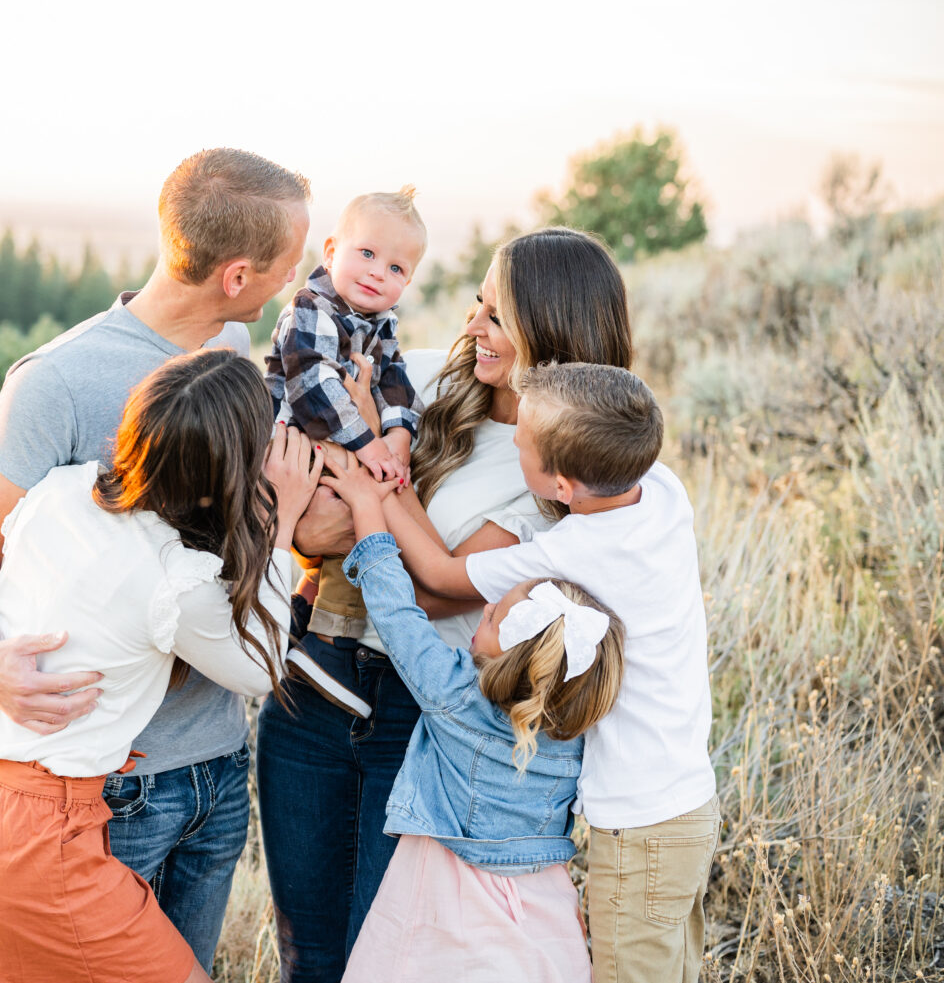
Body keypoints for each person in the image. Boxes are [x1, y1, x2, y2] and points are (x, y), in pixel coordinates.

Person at [0, 148, 316, 970]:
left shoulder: (235, 349)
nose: (298, 277)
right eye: (291, 262)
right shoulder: (59, 383)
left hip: (216, 765)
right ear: (239, 274)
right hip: (111, 788)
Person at [257, 226, 633, 983]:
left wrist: (365, 479)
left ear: (549, 331)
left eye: (496, 317)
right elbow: (301, 509)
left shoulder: (555, 467)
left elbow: (435, 586)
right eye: (476, 304)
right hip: (318, 678)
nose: (471, 327)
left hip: (425, 711)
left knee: (378, 949)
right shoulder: (421, 379)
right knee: (308, 954)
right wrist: (319, 516)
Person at [0, 351, 322, 983]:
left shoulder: (58, 489)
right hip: (39, 836)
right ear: (231, 473)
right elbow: (261, 670)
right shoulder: (173, 581)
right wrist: (281, 520)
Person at [384, 362, 719, 983]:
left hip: (639, 826)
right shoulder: (663, 489)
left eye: (524, 443)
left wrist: (379, 487)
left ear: (563, 486)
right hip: (690, 804)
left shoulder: (576, 549)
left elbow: (437, 577)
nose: (513, 440)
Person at [317, 448, 625, 981]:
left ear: (507, 653)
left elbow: (396, 613)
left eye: (495, 613)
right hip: (539, 912)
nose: (482, 607)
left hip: (441, 900)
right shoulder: (575, 721)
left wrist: (368, 507)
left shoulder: (453, 694)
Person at [263, 189, 426, 717]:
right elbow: (312, 386)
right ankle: (328, 647)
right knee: (357, 505)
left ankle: (307, 622)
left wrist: (398, 437)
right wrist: (369, 444)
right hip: (294, 439)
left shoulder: (381, 322)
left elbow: (396, 381)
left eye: (397, 267)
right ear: (331, 250)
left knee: (365, 511)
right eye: (367, 254)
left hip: (336, 441)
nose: (379, 273)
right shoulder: (311, 308)